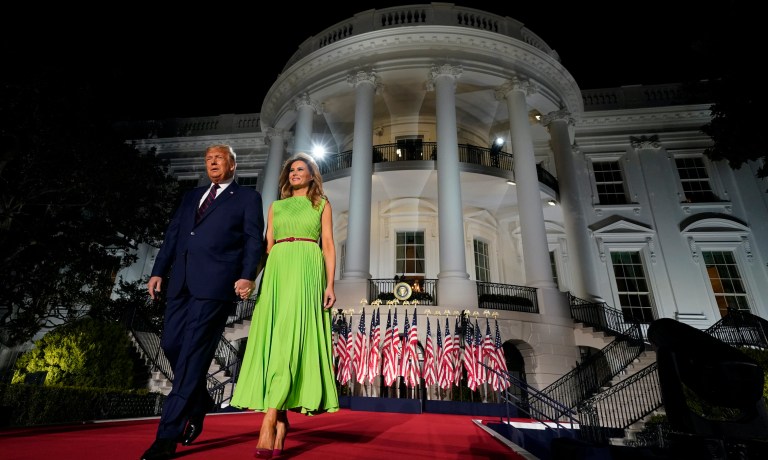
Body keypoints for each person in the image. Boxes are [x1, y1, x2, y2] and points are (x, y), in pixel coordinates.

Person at [141, 144, 265, 460]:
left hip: (215, 285)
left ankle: (167, 435)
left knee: (192, 356)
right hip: (180, 281)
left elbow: (253, 240)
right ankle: (200, 402)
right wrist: (158, 271)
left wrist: (247, 275)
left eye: (219, 158)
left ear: (232, 165)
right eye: (208, 158)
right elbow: (173, 235)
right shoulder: (191, 196)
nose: (212, 162)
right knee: (170, 345)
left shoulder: (247, 198)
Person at [231, 152, 339, 458]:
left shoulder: (321, 204)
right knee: (276, 341)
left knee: (293, 340)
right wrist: (250, 278)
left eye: (301, 169)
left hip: (307, 267)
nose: (295, 173)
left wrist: (330, 284)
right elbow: (267, 248)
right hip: (277, 269)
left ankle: (268, 420)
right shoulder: (276, 206)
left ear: (311, 175)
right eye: (292, 169)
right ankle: (281, 419)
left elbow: (328, 245)